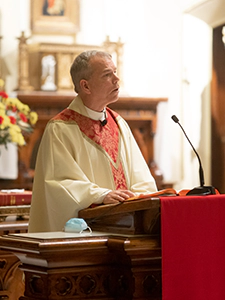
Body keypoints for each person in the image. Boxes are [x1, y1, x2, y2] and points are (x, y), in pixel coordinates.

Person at [28, 50, 157, 232]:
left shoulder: (119, 124)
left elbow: (142, 178)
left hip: (128, 229)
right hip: (86, 233)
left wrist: (135, 199)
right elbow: (59, 184)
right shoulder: (60, 128)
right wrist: (102, 195)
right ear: (85, 86)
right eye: (107, 74)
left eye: (115, 71)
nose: (116, 79)